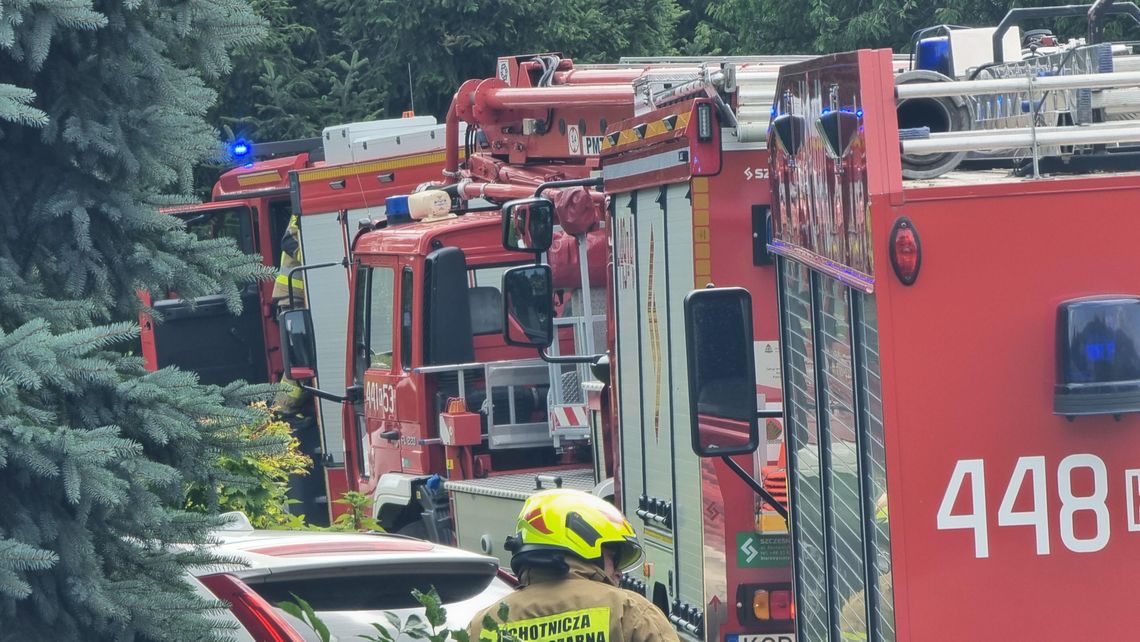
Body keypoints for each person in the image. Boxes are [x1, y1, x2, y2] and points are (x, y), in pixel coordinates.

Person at [468, 489, 679, 642]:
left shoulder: (484, 625)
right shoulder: (630, 613)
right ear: (584, 544)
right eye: (613, 559)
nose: (619, 573)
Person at [271, 214, 309, 414]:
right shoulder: (300, 211)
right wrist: (311, 257)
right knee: (301, 361)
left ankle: (287, 410)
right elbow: (288, 241)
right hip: (293, 297)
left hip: (300, 297)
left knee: (302, 360)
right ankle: (282, 412)